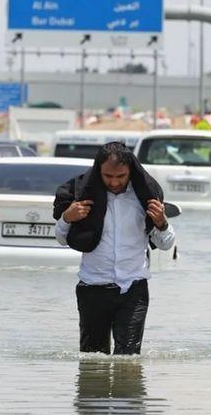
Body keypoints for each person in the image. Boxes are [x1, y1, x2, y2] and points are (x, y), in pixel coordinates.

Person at [53, 141, 175, 355]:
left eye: (121, 176)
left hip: (133, 289)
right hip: (93, 288)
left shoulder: (143, 198)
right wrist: (66, 218)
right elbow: (62, 239)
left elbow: (165, 244)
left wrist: (161, 223)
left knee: (128, 360)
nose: (115, 182)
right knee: (92, 360)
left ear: (130, 172)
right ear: (98, 170)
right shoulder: (83, 197)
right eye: (108, 176)